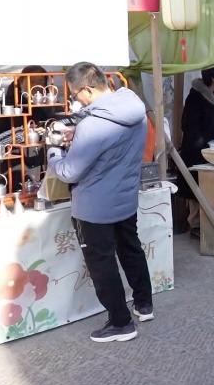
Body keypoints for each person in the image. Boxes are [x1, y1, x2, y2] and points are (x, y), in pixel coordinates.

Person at [47, 62, 152, 343]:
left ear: (88, 90)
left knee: (102, 264)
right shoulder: (135, 108)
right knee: (131, 249)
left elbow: (70, 171)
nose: (74, 100)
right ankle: (144, 304)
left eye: (75, 94)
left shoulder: (93, 124)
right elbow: (111, 147)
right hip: (125, 198)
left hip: (94, 208)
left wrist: (54, 154)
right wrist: (78, 135)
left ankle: (120, 323)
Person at [179, 65, 214, 237]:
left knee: (205, 188)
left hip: (209, 150)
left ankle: (205, 223)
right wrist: (206, 142)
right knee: (195, 189)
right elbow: (187, 125)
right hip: (195, 150)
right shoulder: (195, 97)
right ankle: (195, 225)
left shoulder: (212, 94)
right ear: (213, 79)